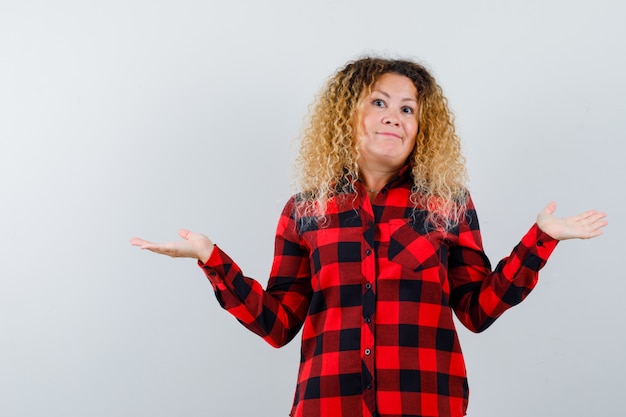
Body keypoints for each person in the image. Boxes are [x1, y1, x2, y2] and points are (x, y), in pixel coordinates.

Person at [130, 57, 607, 417]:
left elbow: (477, 311)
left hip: (427, 403)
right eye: (378, 102)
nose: (393, 116)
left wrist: (540, 241)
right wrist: (212, 258)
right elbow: (277, 326)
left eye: (407, 108)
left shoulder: (447, 204)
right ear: (346, 116)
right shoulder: (305, 210)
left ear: (423, 129)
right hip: (327, 405)